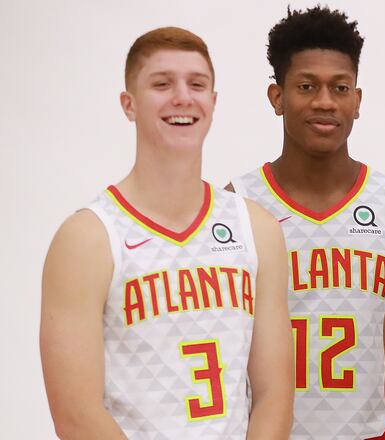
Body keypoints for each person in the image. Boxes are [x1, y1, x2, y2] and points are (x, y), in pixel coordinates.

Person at [40, 27, 293, 439]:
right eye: (162, 84)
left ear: (213, 102)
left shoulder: (256, 228)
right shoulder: (88, 238)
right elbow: (75, 414)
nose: (182, 97)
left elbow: (274, 394)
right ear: (129, 104)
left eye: (197, 84)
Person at [228, 6, 385, 439]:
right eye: (306, 86)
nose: (325, 101)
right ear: (277, 97)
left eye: (339, 87)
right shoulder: (233, 212)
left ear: (357, 100)